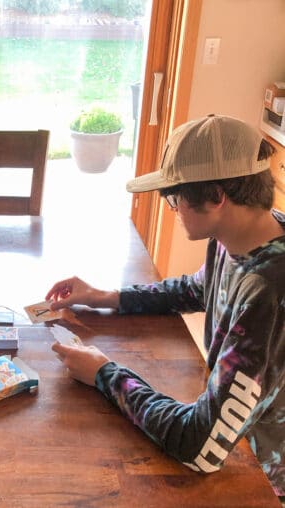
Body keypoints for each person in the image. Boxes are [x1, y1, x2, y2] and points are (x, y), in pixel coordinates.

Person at [46, 114, 285, 499]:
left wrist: (105, 374)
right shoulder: (242, 235)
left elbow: (199, 444)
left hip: (258, 476)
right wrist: (104, 297)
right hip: (232, 434)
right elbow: (194, 289)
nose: (172, 209)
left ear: (217, 197)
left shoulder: (268, 292)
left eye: (174, 198)